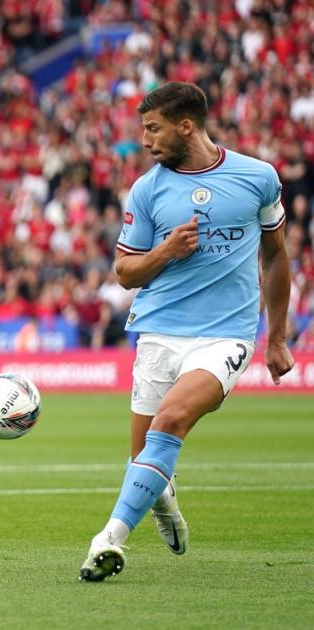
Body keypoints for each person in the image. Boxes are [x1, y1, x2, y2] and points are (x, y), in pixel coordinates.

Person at [79, 82, 294, 581]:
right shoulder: (148, 189)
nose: (146, 140)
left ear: (186, 125)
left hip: (226, 336)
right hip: (157, 333)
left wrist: (277, 336)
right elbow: (125, 272)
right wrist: (165, 252)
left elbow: (276, 254)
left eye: (153, 129)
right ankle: (162, 500)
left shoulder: (258, 177)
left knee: (170, 421)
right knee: (144, 459)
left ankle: (107, 539)